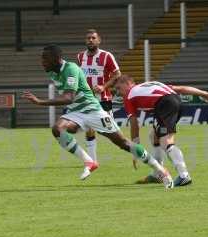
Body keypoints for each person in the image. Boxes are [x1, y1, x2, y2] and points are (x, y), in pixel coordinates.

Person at [22, 45, 174, 189]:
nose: (42, 62)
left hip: (93, 110)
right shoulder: (51, 71)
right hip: (76, 112)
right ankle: (89, 162)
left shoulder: (71, 69)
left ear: (57, 59)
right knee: (57, 129)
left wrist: (40, 101)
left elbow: (69, 97)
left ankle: (160, 169)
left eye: (45, 59)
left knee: (123, 143)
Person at [114, 75, 208, 187]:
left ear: (127, 83)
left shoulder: (129, 96)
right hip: (175, 102)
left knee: (166, 141)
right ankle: (157, 174)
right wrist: (206, 94)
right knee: (154, 135)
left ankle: (184, 175)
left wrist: (135, 148)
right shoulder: (148, 85)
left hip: (164, 104)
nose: (118, 92)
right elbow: (181, 89)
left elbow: (134, 123)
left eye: (119, 88)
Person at [77, 29, 121, 162]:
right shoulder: (80, 57)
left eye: (93, 38)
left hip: (103, 99)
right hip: (87, 99)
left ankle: (130, 147)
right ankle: (92, 161)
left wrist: (103, 87)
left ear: (99, 40)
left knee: (111, 130)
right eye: (88, 38)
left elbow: (117, 74)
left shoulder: (106, 56)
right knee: (89, 128)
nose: (90, 40)